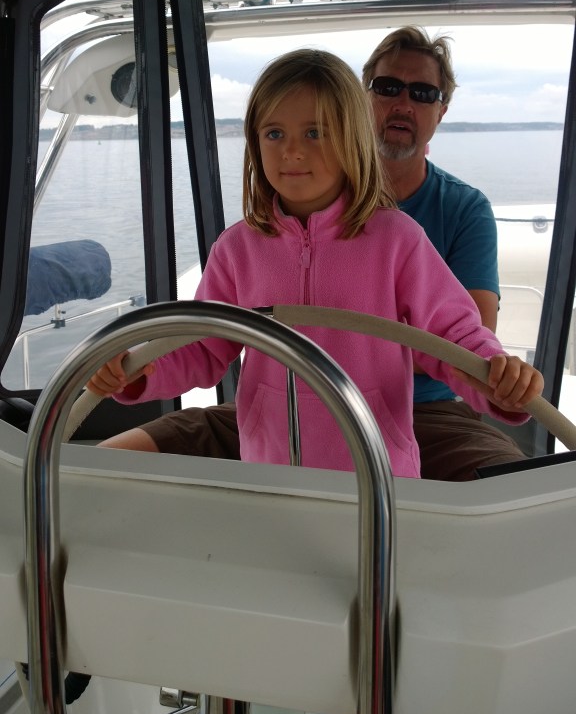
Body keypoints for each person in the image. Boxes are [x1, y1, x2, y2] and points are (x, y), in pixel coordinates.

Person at [89, 47, 542, 480]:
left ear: (351, 139)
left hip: (379, 475)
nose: (292, 151)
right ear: (255, 142)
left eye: (314, 133)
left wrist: (499, 377)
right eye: (274, 133)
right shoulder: (236, 249)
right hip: (270, 474)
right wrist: (139, 370)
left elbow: (454, 337)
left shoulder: (397, 239)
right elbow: (202, 348)